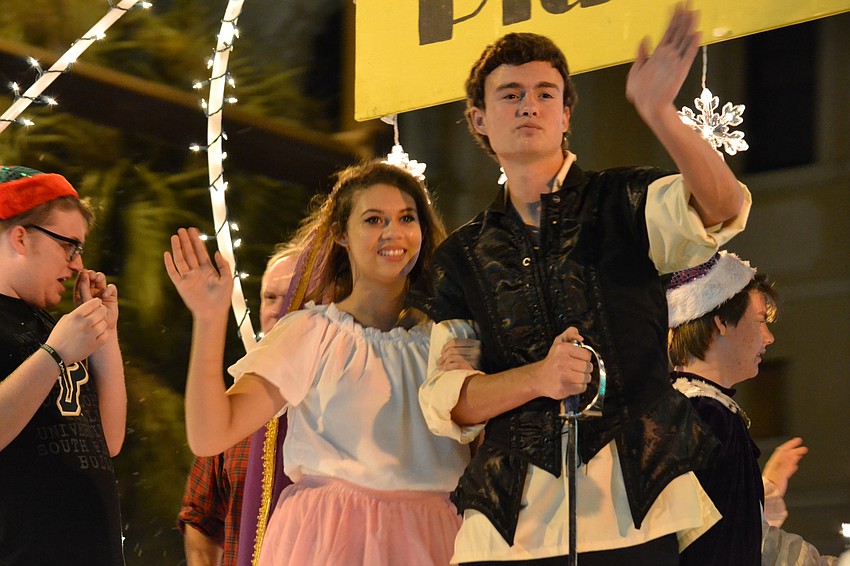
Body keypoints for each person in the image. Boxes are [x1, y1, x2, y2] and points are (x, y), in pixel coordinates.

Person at [415, 4, 754, 564]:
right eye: (510, 93)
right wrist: (538, 377)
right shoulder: (461, 256)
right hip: (508, 525)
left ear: (567, 113)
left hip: (633, 510)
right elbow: (453, 402)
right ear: (478, 119)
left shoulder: (624, 200)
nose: (530, 104)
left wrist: (660, 112)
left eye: (547, 93)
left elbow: (720, 208)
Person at [165, 161, 470, 565]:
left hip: (429, 542)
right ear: (341, 233)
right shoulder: (311, 334)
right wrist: (208, 319)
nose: (393, 232)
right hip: (327, 540)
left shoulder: (452, 339)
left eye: (406, 218)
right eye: (374, 219)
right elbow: (209, 435)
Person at [667, 250, 836, 566]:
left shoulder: (691, 408)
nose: (769, 338)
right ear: (721, 322)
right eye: (759, 322)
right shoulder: (706, 415)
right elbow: (720, 549)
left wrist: (763, 492)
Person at [0, 166, 126, 564]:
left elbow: (110, 441)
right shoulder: (55, 340)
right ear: (21, 237)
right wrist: (54, 354)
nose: (77, 264)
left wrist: (105, 331)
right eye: (68, 244)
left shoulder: (52, 327)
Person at [177, 245, 304, 566]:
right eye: (270, 297)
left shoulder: (343, 396)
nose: (277, 309)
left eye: (291, 296)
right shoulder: (237, 403)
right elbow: (201, 519)